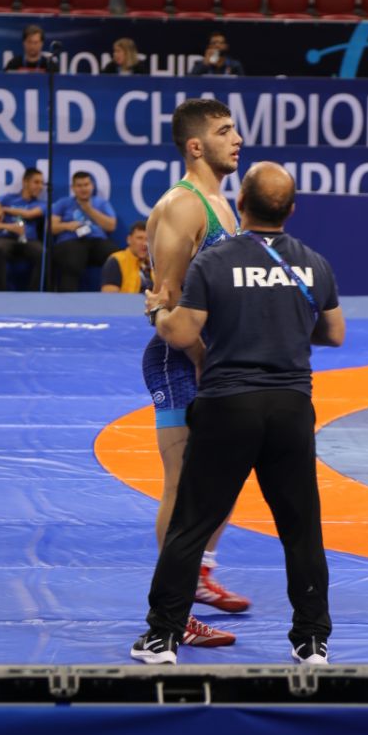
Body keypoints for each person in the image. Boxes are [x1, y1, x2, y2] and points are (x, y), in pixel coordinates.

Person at [131, 162, 345, 665]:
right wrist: (286, 323)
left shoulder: (215, 261)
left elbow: (182, 333)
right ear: (291, 210)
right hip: (290, 408)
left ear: (241, 205)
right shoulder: (314, 263)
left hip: (228, 405)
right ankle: (312, 641)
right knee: (301, 530)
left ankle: (162, 638)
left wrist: (157, 308)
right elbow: (334, 333)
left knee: (191, 524)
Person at [142, 97, 252, 648]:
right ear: (195, 146)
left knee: (224, 477)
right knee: (184, 486)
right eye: (224, 131)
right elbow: (166, 309)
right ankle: (174, 610)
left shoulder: (222, 204)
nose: (237, 139)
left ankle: (200, 571)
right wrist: (208, 364)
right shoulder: (183, 207)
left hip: (219, 362)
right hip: (183, 362)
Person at [51, 170, 117, 292]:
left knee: (115, 255)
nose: (83, 189)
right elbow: (51, 227)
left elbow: (111, 226)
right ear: (73, 188)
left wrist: (89, 210)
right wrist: (66, 226)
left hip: (96, 240)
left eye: (86, 185)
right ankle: (66, 298)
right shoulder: (63, 203)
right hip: (71, 241)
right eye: (79, 185)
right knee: (73, 258)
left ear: (92, 186)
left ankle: (115, 297)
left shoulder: (101, 203)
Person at [0, 167, 46, 292]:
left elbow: (29, 214)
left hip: (28, 240)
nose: (40, 186)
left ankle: (35, 294)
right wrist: (9, 227)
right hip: (6, 238)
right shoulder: (6, 199)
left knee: (42, 253)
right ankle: (0, 293)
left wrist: (5, 209)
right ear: (25, 182)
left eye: (42, 183)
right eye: (36, 182)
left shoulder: (42, 204)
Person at [100, 220, 151, 293]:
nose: (145, 243)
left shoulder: (155, 264)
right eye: (139, 238)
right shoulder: (116, 261)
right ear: (129, 239)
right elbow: (109, 296)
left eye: (148, 239)